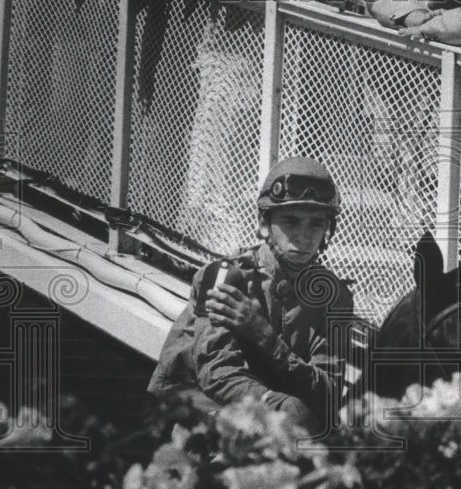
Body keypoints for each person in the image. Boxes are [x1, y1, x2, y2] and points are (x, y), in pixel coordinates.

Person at [148, 157, 357, 432]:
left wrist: (263, 335)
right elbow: (216, 372)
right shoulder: (224, 278)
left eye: (316, 224)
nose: (303, 236)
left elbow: (327, 391)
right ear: (264, 224)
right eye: (291, 222)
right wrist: (274, 404)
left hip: (287, 423)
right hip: (210, 416)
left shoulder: (333, 297)